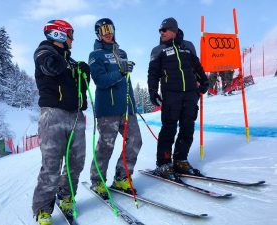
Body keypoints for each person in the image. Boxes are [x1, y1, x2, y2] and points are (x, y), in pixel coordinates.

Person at [32, 19, 90, 225]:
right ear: (59, 34)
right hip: (53, 114)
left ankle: (66, 196)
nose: (72, 39)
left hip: (75, 115)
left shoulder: (70, 61)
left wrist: (83, 74)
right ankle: (42, 209)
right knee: (52, 164)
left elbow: (81, 92)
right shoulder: (44, 52)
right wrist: (68, 63)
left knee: (76, 161)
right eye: (70, 34)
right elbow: (50, 67)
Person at [148, 17, 209, 180]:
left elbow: (196, 66)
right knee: (169, 129)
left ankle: (181, 159)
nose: (162, 33)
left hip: (190, 94)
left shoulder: (188, 47)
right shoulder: (158, 50)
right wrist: (153, 91)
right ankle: (164, 163)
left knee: (188, 128)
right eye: (160, 31)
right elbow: (153, 73)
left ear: (174, 30)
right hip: (171, 95)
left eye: (164, 30)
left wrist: (204, 81)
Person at [88, 18, 142, 199]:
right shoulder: (96, 55)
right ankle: (97, 182)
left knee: (135, 140)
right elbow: (100, 81)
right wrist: (120, 71)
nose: (107, 32)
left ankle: (121, 177)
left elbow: (127, 82)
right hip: (107, 110)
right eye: (103, 30)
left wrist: (133, 106)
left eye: (109, 28)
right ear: (98, 34)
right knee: (105, 147)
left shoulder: (122, 53)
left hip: (126, 109)